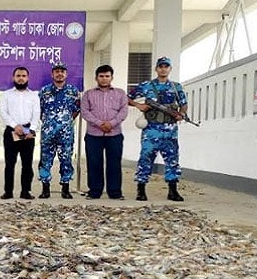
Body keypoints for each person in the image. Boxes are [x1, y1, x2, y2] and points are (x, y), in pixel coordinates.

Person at [128, 56, 189, 202]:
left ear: (170, 69)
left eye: (166, 67)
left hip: (170, 130)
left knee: (172, 159)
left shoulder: (176, 87)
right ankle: (141, 190)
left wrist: (181, 114)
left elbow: (183, 104)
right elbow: (127, 97)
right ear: (156, 69)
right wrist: (139, 105)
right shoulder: (146, 86)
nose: (163, 69)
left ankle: (173, 190)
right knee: (146, 157)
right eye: (161, 66)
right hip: (151, 129)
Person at [80, 64, 129, 200]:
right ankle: (95, 191)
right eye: (101, 76)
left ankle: (115, 192)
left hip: (114, 134)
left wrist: (111, 123)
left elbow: (124, 111)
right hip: (93, 135)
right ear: (96, 78)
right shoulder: (88, 94)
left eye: (107, 76)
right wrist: (100, 123)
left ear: (111, 77)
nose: (104, 79)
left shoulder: (120, 93)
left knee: (114, 163)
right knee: (94, 163)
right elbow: (85, 111)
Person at [37, 62, 81, 199]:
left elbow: (76, 110)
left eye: (62, 71)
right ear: (52, 74)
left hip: (66, 134)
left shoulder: (73, 91)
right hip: (48, 133)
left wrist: (65, 122)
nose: (59, 74)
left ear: (66, 74)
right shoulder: (44, 91)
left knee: (66, 160)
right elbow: (38, 110)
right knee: (45, 160)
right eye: (57, 71)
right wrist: (49, 123)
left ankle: (65, 189)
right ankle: (45, 189)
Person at [0, 67, 41, 200]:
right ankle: (8, 192)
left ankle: (25, 191)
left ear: (27, 78)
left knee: (27, 164)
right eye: (18, 76)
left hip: (28, 132)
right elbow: (3, 112)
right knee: (10, 164)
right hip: (11, 131)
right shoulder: (6, 95)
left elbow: (37, 113)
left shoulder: (34, 95)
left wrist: (32, 129)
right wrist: (14, 125)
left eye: (23, 76)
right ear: (13, 78)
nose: (21, 78)